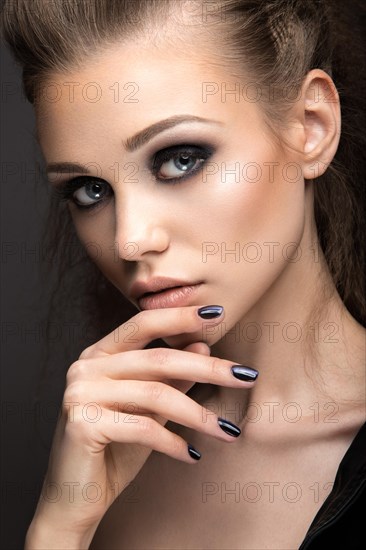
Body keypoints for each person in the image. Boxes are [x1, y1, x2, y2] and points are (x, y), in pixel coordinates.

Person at [1, 0, 365, 548]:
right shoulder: (106, 454)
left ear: (311, 127)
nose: (129, 238)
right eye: (90, 190)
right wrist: (59, 527)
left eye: (179, 158)